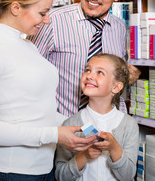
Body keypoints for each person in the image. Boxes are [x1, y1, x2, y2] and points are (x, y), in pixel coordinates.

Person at [0, 0, 95, 181]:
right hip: (9, 173)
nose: (47, 20)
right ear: (16, 7)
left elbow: (40, 111)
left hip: (44, 170)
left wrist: (87, 128)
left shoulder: (28, 46)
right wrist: (54, 135)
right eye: (42, 13)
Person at [31, 0, 141, 117]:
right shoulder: (52, 21)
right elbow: (26, 75)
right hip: (62, 130)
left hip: (105, 132)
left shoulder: (119, 28)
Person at [55, 53, 139, 181]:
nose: (89, 75)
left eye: (100, 72)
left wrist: (114, 147)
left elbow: (128, 176)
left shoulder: (129, 125)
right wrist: (83, 156)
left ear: (116, 87)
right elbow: (61, 176)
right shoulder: (70, 124)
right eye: (87, 70)